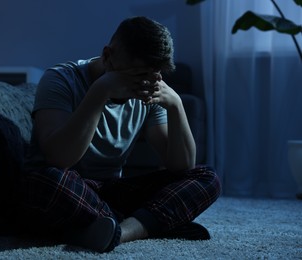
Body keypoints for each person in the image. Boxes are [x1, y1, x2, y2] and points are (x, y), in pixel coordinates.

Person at [21, 16, 221, 253]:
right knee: (44, 182)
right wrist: (100, 91)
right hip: (68, 187)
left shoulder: (149, 86)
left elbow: (181, 166)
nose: (142, 84)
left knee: (207, 177)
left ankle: (121, 231)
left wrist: (176, 105)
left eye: (151, 75)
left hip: (110, 192)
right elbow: (60, 158)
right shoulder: (60, 79)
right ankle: (151, 223)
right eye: (134, 75)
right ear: (107, 56)